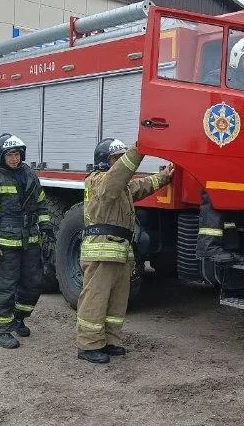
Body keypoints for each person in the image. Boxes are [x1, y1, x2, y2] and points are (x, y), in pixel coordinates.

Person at [76, 138, 174, 364]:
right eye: (115, 158)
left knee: (116, 301)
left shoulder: (120, 187)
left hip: (118, 250)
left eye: (121, 157)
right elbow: (117, 178)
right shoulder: (98, 181)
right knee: (95, 299)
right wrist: (139, 149)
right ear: (103, 161)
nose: (120, 161)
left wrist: (164, 177)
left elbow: (140, 186)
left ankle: (110, 341)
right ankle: (89, 345)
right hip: (101, 251)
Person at [0, 133, 53, 349]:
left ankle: (18, 319)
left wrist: (46, 226)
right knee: (4, 287)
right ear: (1, 156)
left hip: (30, 243)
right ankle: (1, 330)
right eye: (10, 155)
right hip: (4, 246)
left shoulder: (30, 175)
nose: (14, 158)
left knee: (33, 284)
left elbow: (41, 204)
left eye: (17, 154)